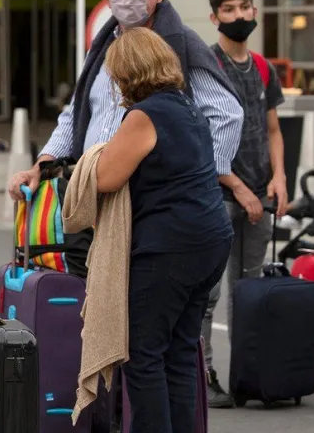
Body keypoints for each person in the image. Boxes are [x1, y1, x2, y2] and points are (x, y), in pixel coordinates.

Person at [7, 0, 243, 276]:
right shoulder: (102, 47)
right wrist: (41, 166)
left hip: (153, 203)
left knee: (145, 294)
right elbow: (76, 113)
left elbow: (226, 114)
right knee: (97, 291)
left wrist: (201, 176)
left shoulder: (181, 44)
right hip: (97, 198)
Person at [95, 27, 231, 433]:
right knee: (180, 353)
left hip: (170, 247)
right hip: (211, 239)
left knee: (143, 355)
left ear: (127, 72)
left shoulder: (144, 116)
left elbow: (105, 178)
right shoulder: (188, 107)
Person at [201, 0, 287, 408]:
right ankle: (203, 375)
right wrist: (236, 186)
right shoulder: (205, 66)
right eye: (229, 9)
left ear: (255, 11)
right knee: (208, 293)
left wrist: (280, 177)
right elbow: (201, 139)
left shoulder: (264, 68)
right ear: (215, 17)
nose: (239, 16)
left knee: (249, 291)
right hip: (216, 196)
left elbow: (273, 130)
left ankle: (248, 374)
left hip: (259, 194)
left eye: (244, 7)